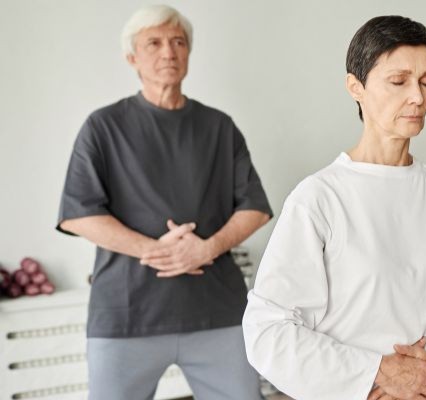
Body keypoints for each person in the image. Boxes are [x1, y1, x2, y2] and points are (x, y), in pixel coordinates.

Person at [242, 15, 426, 400]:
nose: (418, 96)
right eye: (399, 81)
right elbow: (267, 329)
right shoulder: (319, 199)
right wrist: (375, 374)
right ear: (355, 87)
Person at [56, 5, 272, 399]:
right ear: (132, 58)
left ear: (188, 52)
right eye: (153, 43)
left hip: (217, 312)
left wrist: (206, 248)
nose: (168, 52)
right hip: (126, 316)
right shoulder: (102, 127)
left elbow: (255, 206)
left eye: (178, 42)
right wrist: (157, 251)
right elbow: (78, 214)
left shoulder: (219, 127)